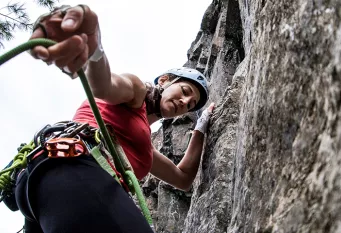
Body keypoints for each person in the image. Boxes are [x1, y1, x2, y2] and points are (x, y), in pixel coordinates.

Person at [13, 4, 215, 233]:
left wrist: (201, 128)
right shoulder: (136, 91)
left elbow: (183, 178)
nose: (184, 103)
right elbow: (103, 85)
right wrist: (93, 51)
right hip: (72, 170)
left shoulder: (143, 150)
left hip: (43, 190)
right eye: (186, 91)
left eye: (189, 105)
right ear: (165, 80)